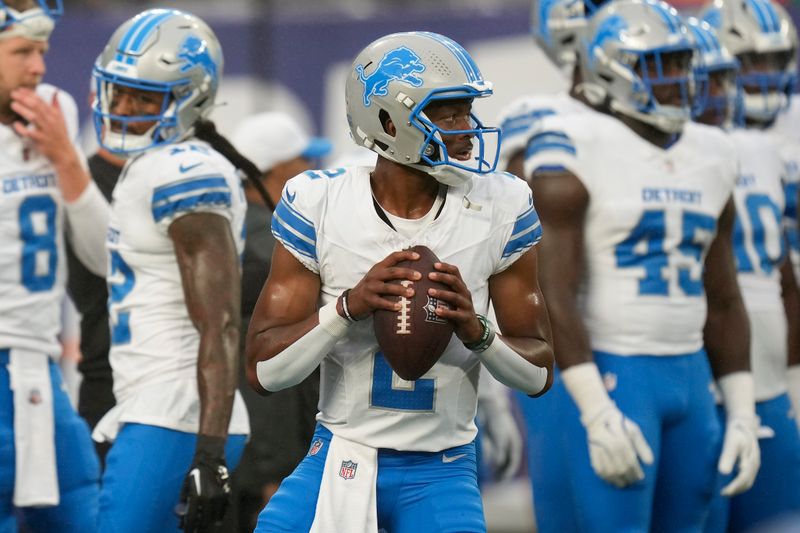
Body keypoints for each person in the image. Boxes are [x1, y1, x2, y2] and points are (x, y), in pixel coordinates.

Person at [245, 31, 555, 532]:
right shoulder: (320, 203)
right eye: (446, 113)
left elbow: (540, 375)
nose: (466, 129)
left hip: (444, 469)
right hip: (341, 455)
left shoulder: (502, 203)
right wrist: (346, 309)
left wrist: (479, 333)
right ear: (387, 121)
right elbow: (263, 373)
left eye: (466, 111)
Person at [516, 1, 760, 531]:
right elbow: (552, 292)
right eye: (660, 64)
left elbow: (724, 296)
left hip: (691, 373)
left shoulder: (714, 151)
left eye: (680, 63)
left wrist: (741, 406)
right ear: (610, 68)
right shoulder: (570, 143)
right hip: (616, 369)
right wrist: (594, 406)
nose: (678, 79)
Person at [89, 9, 256, 533]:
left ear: (191, 99)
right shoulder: (156, 164)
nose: (123, 109)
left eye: (143, 98)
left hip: (176, 412)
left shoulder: (186, 171)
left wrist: (209, 453)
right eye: (118, 93)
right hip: (158, 408)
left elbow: (221, 323)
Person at [0, 0, 110, 531]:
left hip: (38, 365)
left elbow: (106, 257)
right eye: (22, 52)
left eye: (42, 51)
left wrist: (67, 158)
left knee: (81, 510)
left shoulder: (54, 111)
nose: (39, 68)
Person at [692, 4, 800, 531]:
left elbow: (785, 279)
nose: (759, 76)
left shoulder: (759, 149)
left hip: (765, 365)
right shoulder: (748, 149)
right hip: (707, 366)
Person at [227, 111, 331, 533]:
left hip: (244, 438)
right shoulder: (269, 242)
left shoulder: (233, 227)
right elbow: (263, 365)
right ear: (273, 171)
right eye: (301, 160)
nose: (312, 169)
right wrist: (278, 467)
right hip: (268, 443)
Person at [66, 92, 125, 466]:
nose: (132, 111)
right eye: (124, 98)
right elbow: (114, 264)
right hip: (107, 378)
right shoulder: (80, 185)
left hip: (180, 382)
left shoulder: (169, 175)